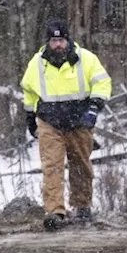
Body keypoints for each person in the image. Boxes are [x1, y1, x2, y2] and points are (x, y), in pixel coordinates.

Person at [21, 19, 112, 230]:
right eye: (54, 41)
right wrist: (30, 118)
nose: (58, 45)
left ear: (68, 40)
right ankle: (54, 212)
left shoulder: (86, 59)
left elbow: (102, 82)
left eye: (61, 40)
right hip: (49, 122)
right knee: (52, 166)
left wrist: (93, 109)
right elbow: (28, 91)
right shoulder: (37, 64)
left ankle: (82, 206)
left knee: (80, 165)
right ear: (48, 42)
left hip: (79, 121)